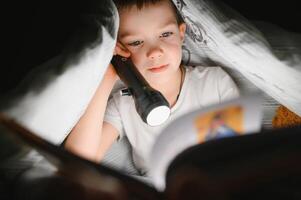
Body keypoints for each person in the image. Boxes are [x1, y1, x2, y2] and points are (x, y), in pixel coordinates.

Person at [64, 0, 239, 175]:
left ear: (181, 33)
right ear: (118, 50)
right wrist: (107, 76)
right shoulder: (122, 105)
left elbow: (237, 156)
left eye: (165, 34)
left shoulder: (214, 84)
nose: (155, 52)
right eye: (136, 42)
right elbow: (78, 162)